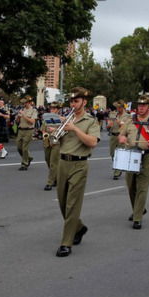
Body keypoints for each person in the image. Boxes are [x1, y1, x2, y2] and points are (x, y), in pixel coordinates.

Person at [55, 87, 100, 257]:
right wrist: (54, 133)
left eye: (76, 101)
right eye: (71, 101)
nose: (73, 104)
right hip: (62, 163)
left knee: (72, 205)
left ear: (84, 102)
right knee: (62, 202)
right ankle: (79, 227)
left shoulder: (91, 121)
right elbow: (58, 141)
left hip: (79, 165)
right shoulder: (67, 119)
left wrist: (74, 128)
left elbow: (92, 142)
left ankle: (66, 243)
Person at [119, 94, 149, 229]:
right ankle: (138, 209)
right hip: (131, 155)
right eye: (139, 105)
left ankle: (137, 217)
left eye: (143, 105)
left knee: (142, 188)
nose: (140, 108)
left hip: (146, 157)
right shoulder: (130, 120)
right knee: (131, 185)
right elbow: (122, 134)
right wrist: (121, 138)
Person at [108, 100, 131, 180]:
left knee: (120, 154)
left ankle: (117, 172)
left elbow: (126, 126)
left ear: (122, 107)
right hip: (113, 136)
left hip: (121, 136)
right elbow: (109, 125)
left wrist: (119, 122)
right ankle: (118, 167)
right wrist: (109, 125)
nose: (118, 109)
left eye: (119, 107)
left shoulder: (127, 116)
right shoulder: (113, 114)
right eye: (117, 107)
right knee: (112, 154)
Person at [41, 101, 61, 191]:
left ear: (58, 110)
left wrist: (54, 129)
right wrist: (44, 133)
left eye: (54, 108)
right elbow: (43, 129)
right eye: (51, 108)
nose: (52, 110)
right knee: (47, 160)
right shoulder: (46, 118)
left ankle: (50, 182)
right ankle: (56, 178)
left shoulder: (61, 119)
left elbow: (65, 130)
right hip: (47, 140)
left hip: (56, 141)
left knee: (53, 162)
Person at [15, 96, 38, 170]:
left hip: (28, 130)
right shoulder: (22, 110)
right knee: (19, 147)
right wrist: (18, 117)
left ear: (29, 102)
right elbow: (17, 122)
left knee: (25, 148)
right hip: (21, 130)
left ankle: (24, 164)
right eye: (23, 103)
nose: (24, 104)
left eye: (25, 102)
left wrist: (24, 115)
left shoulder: (33, 111)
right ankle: (29, 158)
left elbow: (32, 122)